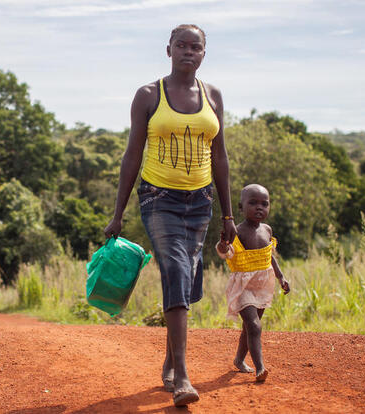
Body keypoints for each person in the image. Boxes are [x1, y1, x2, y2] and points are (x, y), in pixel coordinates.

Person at [104, 24, 236, 407]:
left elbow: (220, 156)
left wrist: (228, 216)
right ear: (169, 50)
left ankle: (169, 358)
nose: (188, 52)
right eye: (181, 45)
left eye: (196, 47)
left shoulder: (214, 96)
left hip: (200, 202)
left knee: (188, 282)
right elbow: (132, 155)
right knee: (177, 270)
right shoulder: (148, 95)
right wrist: (118, 213)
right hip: (157, 198)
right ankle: (182, 376)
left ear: (204, 53)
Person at [215, 184, 290, 382]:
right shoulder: (237, 231)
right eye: (253, 203)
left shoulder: (267, 229)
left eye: (264, 204)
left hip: (263, 285)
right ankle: (260, 368)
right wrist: (223, 244)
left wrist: (281, 277)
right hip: (243, 285)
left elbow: (269, 257)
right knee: (254, 326)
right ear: (240, 207)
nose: (259, 208)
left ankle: (239, 360)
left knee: (250, 327)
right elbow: (226, 253)